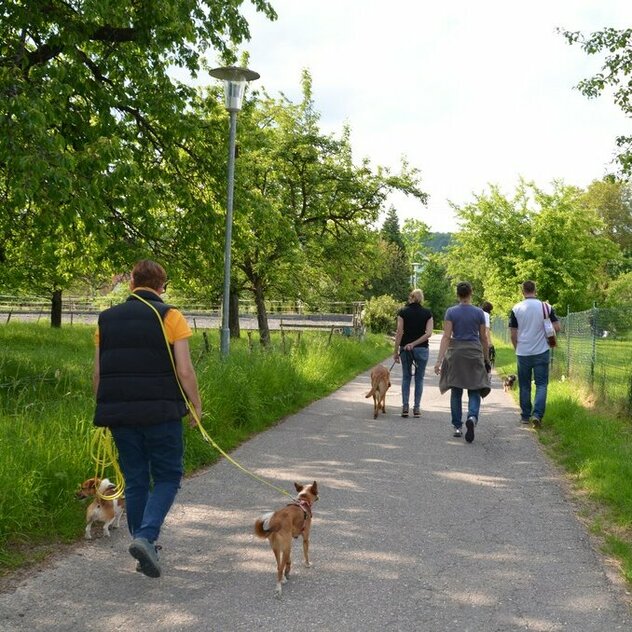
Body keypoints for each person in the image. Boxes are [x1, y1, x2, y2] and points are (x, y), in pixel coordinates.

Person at [93, 260, 202, 578]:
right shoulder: (171, 316)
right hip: (161, 413)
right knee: (168, 476)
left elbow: (98, 372)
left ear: (131, 285)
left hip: (120, 415)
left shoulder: (106, 319)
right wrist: (196, 404)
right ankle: (146, 537)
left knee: (137, 479)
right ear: (161, 286)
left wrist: (104, 406)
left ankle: (144, 548)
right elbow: (185, 369)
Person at [434, 282, 491, 443]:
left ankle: (458, 426)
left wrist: (439, 360)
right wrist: (486, 359)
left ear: (457, 294)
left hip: (456, 354)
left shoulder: (451, 312)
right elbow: (483, 338)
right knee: (474, 389)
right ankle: (472, 417)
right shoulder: (479, 313)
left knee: (456, 390)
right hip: (474, 353)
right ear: (470, 293)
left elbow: (446, 336)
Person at [509, 280, 560, 426]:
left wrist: (516, 347)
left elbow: (513, 333)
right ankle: (537, 415)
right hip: (541, 350)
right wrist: (546, 329)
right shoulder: (546, 307)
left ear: (522, 291)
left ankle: (525, 416)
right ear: (535, 290)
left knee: (524, 385)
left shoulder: (516, 308)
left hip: (523, 351)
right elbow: (557, 327)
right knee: (541, 384)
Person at [393, 289, 433, 418]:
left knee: (406, 377)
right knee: (419, 378)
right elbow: (429, 333)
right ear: (421, 299)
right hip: (422, 349)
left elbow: (399, 332)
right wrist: (415, 344)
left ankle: (405, 406)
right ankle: (416, 408)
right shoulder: (427, 313)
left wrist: (396, 351)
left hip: (405, 349)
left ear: (410, 298)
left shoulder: (402, 312)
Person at [481, 301, 495, 369]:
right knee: (485, 359)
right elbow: (487, 330)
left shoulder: (477, 313)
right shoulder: (486, 315)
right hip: (482, 340)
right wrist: (489, 342)